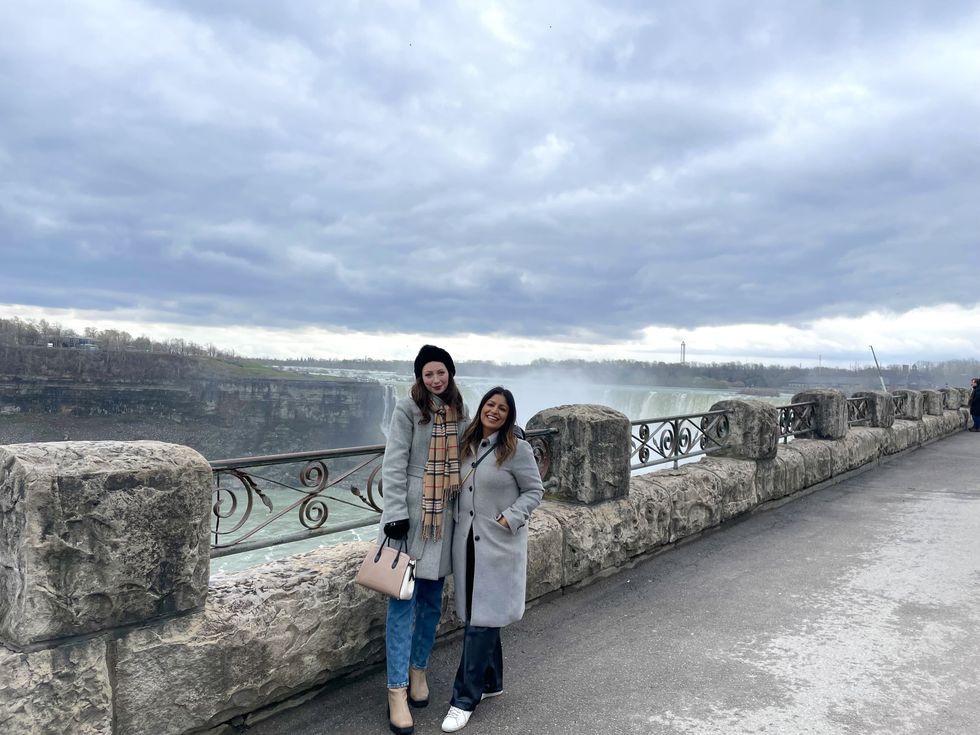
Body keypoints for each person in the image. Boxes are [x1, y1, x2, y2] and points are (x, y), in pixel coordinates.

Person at [441, 387, 544, 733]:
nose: (494, 411)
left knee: (480, 622)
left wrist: (510, 518)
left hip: (498, 545)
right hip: (466, 542)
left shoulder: (517, 450)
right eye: (490, 404)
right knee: (478, 613)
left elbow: (535, 491)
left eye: (502, 408)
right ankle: (492, 681)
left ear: (509, 415)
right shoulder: (467, 444)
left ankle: (463, 699)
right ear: (482, 407)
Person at [380, 345, 467, 735]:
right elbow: (394, 462)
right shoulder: (408, 409)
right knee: (402, 603)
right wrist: (394, 514)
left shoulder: (459, 410)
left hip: (444, 517)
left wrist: (510, 430)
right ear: (420, 376)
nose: (436, 379)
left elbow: (474, 448)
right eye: (429, 373)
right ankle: (396, 690)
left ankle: (419, 671)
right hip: (412, 518)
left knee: (432, 602)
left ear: (449, 373)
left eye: (441, 372)